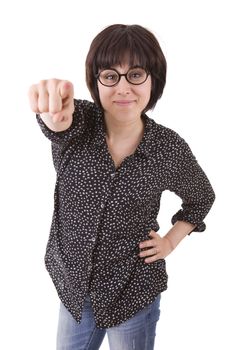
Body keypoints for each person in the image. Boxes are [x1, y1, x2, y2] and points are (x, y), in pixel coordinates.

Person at [28, 24, 215, 350]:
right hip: (76, 289)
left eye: (136, 74)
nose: (123, 87)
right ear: (96, 81)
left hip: (134, 290)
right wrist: (53, 110)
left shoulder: (167, 148)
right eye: (110, 76)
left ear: (153, 80)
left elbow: (201, 196)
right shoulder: (80, 122)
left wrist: (170, 241)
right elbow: (59, 121)